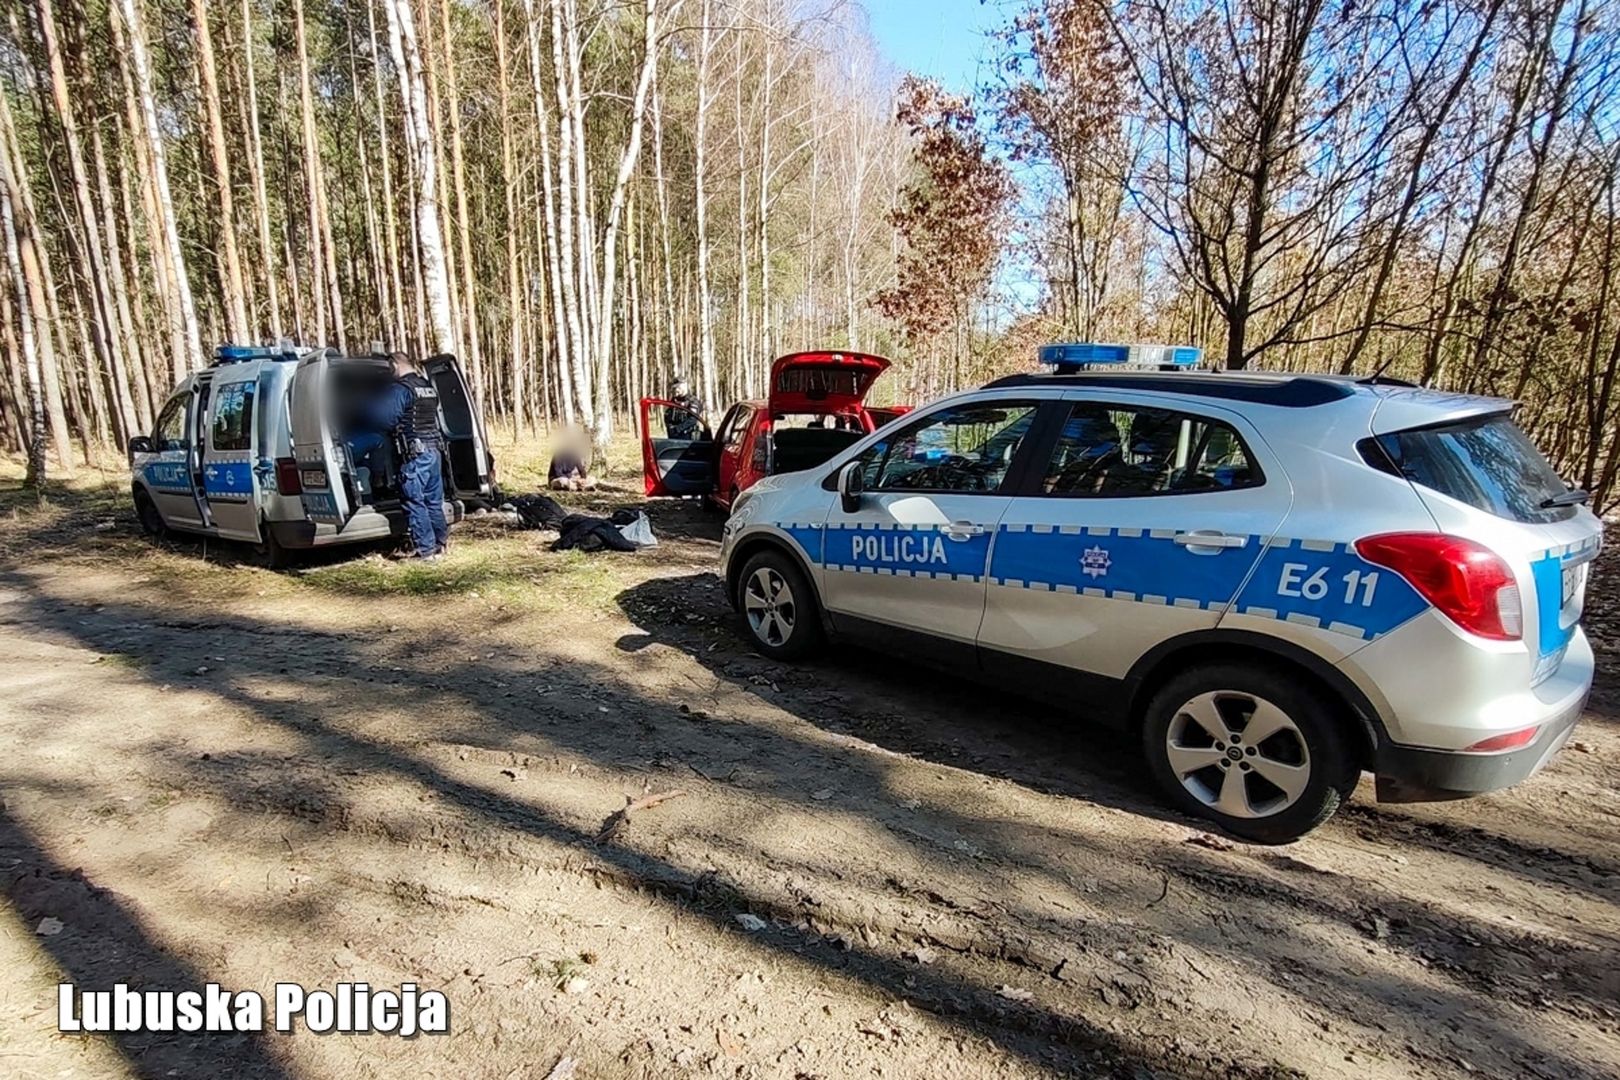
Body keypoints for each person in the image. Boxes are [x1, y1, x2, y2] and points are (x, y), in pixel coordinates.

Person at [365, 351, 450, 560]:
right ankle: (440, 545)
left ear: (394, 364)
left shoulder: (401, 389)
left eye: (389, 368)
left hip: (416, 455)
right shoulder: (427, 387)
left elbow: (385, 419)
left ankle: (426, 551)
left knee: (414, 500)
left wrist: (365, 407)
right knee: (433, 501)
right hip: (433, 451)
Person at [548, 425, 597, 491]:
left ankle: (579, 486)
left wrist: (583, 479)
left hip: (571, 479)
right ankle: (578, 487)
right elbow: (558, 474)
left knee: (592, 479)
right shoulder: (558, 455)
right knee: (563, 481)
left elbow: (581, 470)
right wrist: (575, 481)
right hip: (557, 479)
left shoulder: (575, 454)